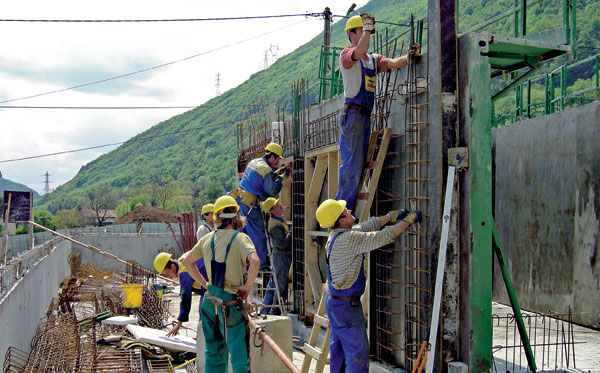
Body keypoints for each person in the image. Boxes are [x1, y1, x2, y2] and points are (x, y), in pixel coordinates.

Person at [315, 199, 421, 372]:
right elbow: (384, 236)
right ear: (341, 220)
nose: (349, 210)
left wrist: (390, 216)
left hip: (335, 303)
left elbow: (366, 226)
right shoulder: (349, 240)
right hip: (347, 307)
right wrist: (407, 221)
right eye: (345, 211)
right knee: (358, 355)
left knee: (340, 351)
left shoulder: (337, 234)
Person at [336, 14, 419, 211]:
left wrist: (409, 57)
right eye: (364, 32)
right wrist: (367, 26)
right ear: (352, 34)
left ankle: (347, 208)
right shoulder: (347, 55)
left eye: (369, 32)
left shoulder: (372, 60)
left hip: (364, 116)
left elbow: (393, 63)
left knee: (359, 163)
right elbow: (361, 49)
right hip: (353, 114)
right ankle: (342, 209)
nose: (368, 35)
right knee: (351, 165)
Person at [183, 195, 260, 373]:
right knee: (240, 356)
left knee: (214, 353)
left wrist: (204, 284)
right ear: (237, 217)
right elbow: (255, 260)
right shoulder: (240, 239)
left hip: (211, 303)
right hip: (231, 304)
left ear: (217, 217)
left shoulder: (207, 239)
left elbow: (187, 261)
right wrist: (247, 287)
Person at [235, 142, 291, 269]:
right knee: (258, 234)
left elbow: (263, 179)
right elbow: (271, 190)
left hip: (240, 201)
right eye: (277, 160)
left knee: (243, 234)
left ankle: (244, 264)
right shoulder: (266, 169)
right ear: (272, 157)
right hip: (250, 204)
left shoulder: (255, 162)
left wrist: (277, 173)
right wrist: (283, 177)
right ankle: (260, 265)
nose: (277, 163)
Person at [153, 251, 208, 337]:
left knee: (205, 315)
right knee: (204, 313)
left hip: (215, 286)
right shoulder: (182, 261)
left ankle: (205, 342)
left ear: (172, 266)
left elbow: (185, 298)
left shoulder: (184, 270)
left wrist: (178, 325)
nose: (169, 276)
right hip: (208, 289)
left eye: (168, 273)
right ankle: (203, 340)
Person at [261, 197, 292, 315]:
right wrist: (292, 234)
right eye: (277, 204)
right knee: (281, 285)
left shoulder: (278, 220)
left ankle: (264, 310)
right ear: (272, 210)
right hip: (281, 256)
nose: (280, 205)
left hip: (278, 256)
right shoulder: (275, 225)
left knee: (273, 284)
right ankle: (275, 311)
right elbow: (281, 243)